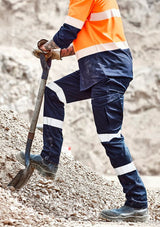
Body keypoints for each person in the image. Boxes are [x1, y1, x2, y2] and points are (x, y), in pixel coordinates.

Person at [18, 0, 148, 222]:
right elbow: (85, 38)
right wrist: (56, 54)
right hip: (99, 67)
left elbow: (69, 30)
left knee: (110, 136)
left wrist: (48, 46)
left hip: (109, 69)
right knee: (54, 92)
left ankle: (137, 201)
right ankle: (49, 158)